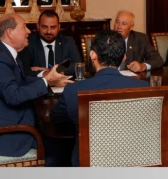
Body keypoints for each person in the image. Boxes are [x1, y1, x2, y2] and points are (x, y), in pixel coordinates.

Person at [0, 14, 72, 157]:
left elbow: (21, 80)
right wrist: (47, 81)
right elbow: (13, 95)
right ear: (10, 33)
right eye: (24, 27)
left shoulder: (3, 52)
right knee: (60, 148)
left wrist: (49, 80)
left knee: (56, 139)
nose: (28, 31)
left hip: (7, 121)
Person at [51, 30, 148, 166]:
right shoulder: (145, 88)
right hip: (136, 163)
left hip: (90, 165)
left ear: (93, 55)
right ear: (124, 58)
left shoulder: (73, 90)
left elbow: (55, 119)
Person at [18, 10, 81, 77]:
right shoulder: (28, 43)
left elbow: (77, 65)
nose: (49, 31)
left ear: (59, 27)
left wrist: (50, 70)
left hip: (63, 82)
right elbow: (25, 70)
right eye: (44, 27)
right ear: (38, 26)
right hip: (39, 83)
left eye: (53, 27)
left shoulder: (67, 42)